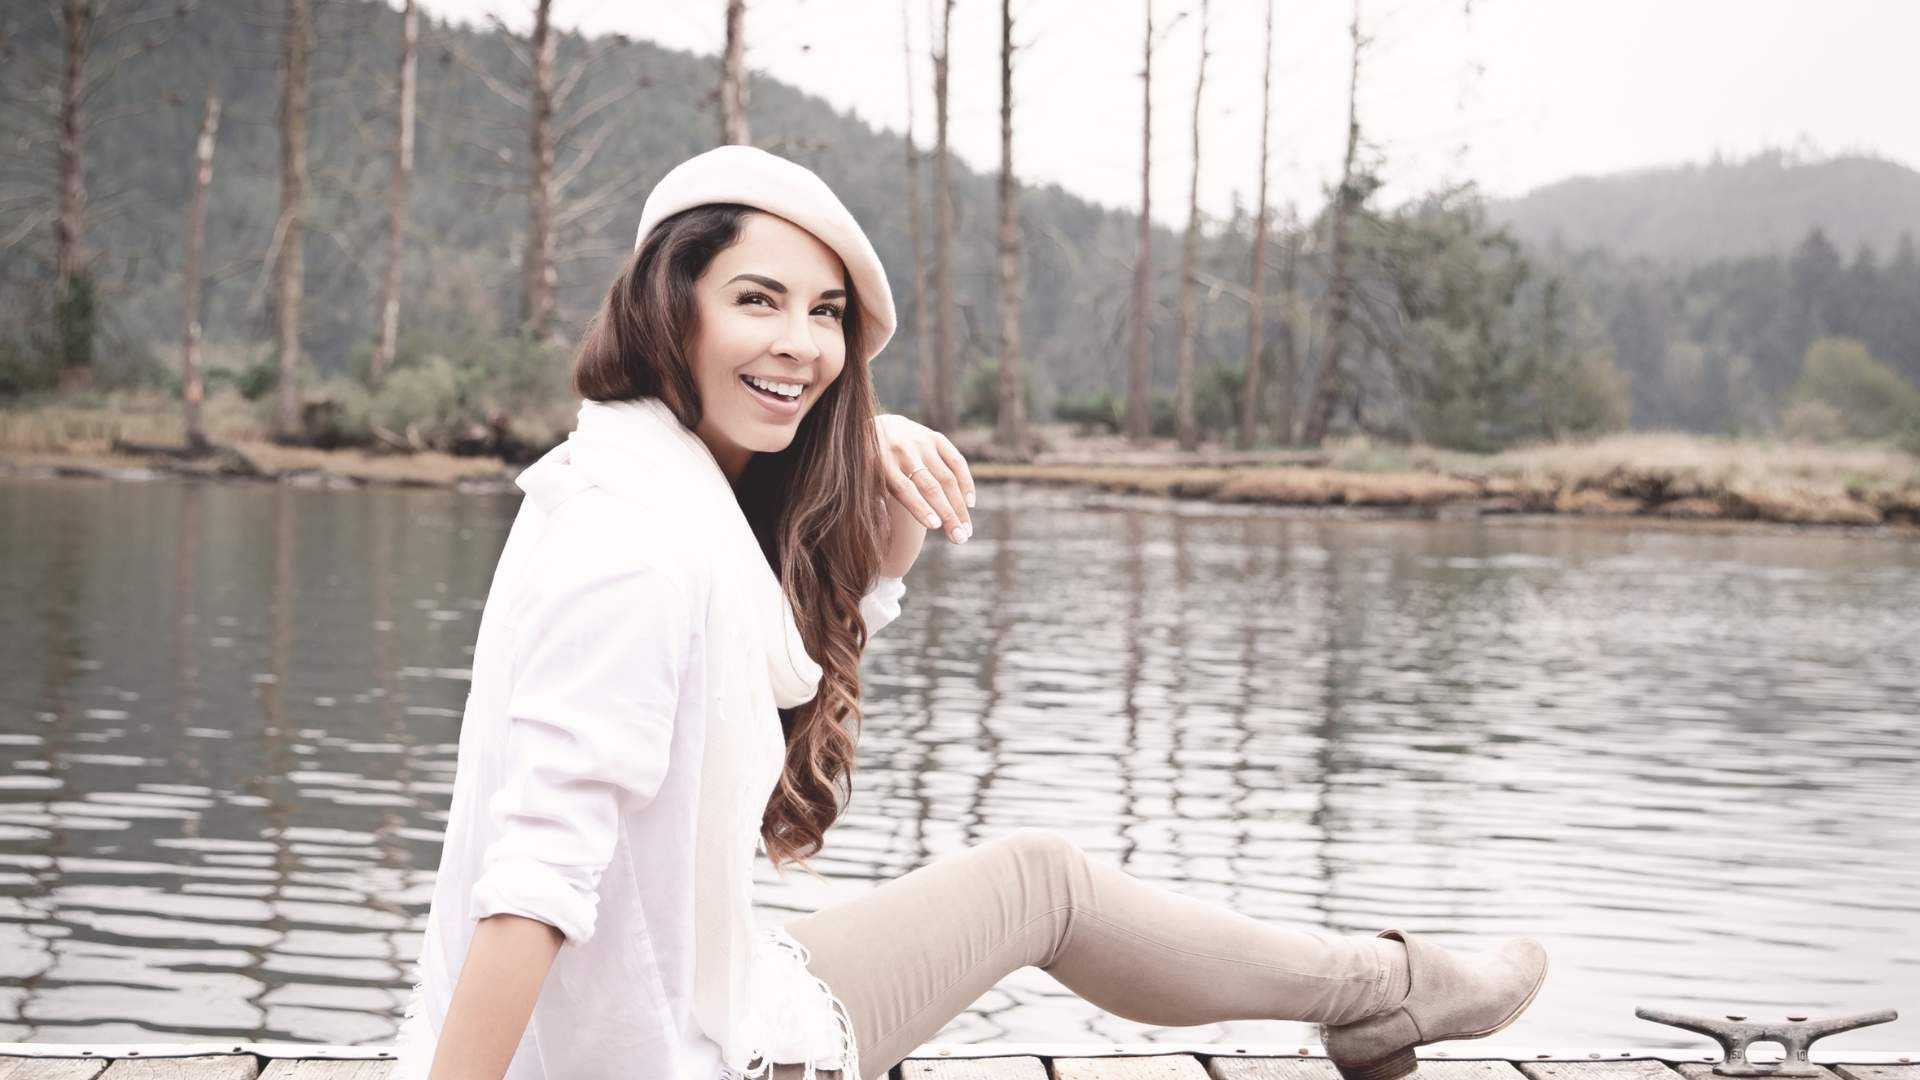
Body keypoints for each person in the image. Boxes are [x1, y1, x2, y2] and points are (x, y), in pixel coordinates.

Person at [391, 146, 1549, 1080]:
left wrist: (863, 491)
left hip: (663, 999)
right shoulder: (641, 543)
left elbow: (752, 700)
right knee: (1038, 884)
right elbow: (535, 879)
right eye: (757, 300)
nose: (800, 344)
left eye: (826, 314)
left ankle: (1388, 989)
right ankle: (1393, 990)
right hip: (662, 1052)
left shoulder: (620, 484)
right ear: (667, 303)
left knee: (1036, 881)